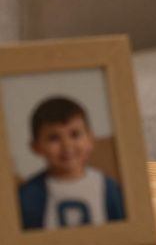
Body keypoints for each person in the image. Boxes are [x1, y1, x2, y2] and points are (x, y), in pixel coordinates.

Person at [18, 96, 126, 231]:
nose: (67, 146)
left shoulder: (109, 188)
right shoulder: (28, 195)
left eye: (75, 134)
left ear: (90, 140)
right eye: (54, 138)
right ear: (36, 147)